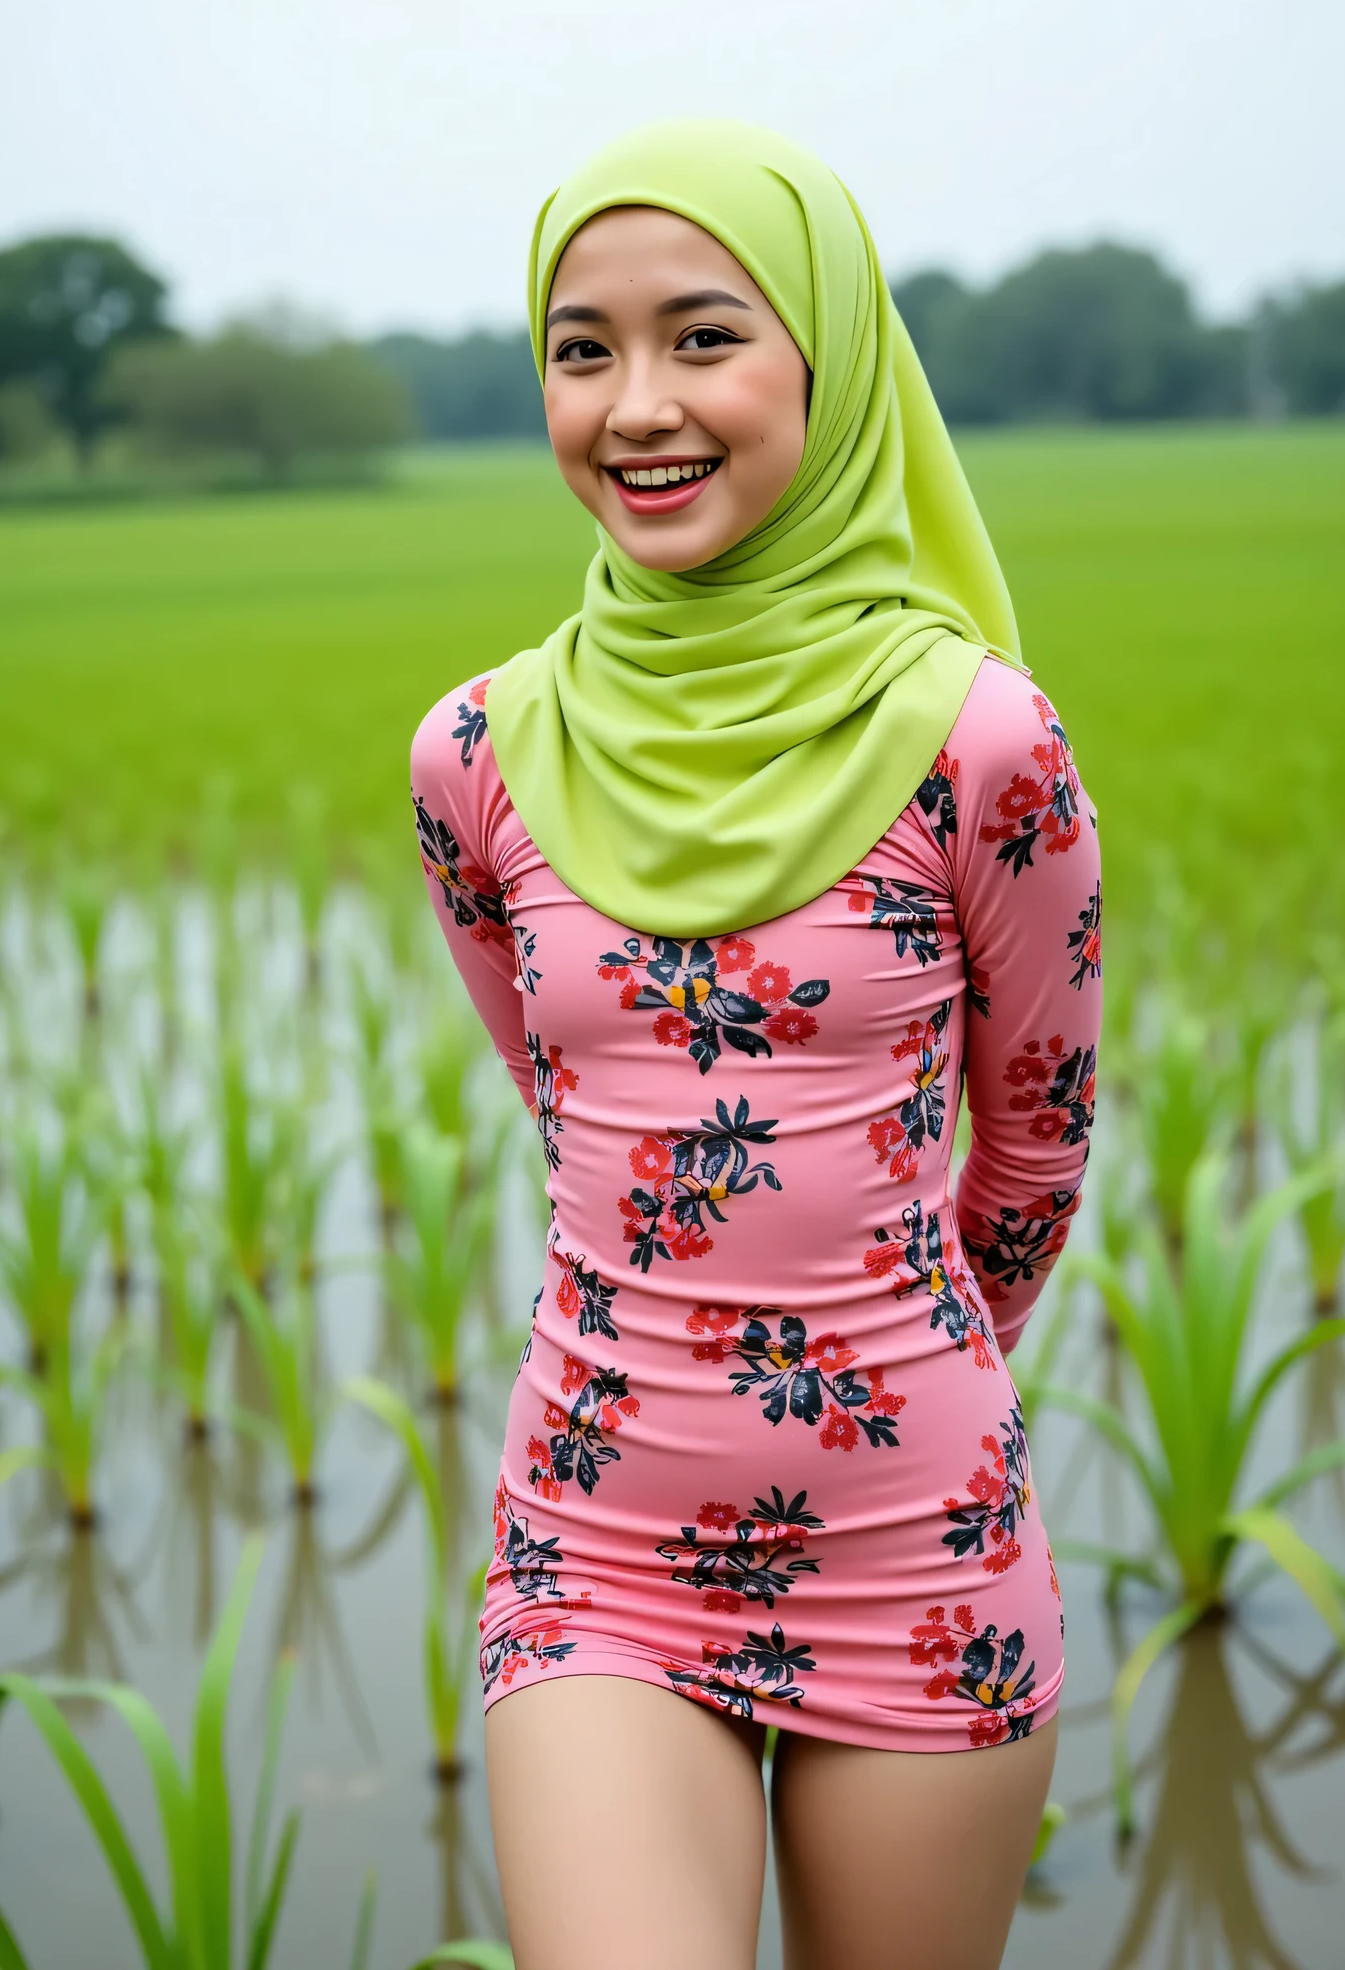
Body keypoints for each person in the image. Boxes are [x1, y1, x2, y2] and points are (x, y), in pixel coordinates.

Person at [411, 120, 1101, 1970]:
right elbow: (577, 1120)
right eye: (582, 349)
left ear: (832, 359)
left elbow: (1034, 1156)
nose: (637, 404)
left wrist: (880, 1367)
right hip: (599, 1542)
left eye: (704, 337)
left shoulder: (982, 742)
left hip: (915, 1542)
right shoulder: (474, 756)